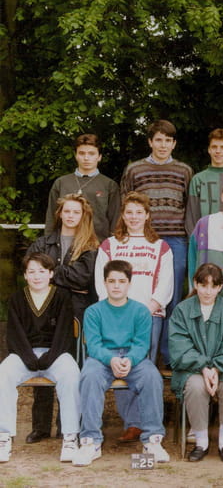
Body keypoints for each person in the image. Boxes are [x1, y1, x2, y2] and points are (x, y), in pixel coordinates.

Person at [94, 191, 173, 443]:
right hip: (115, 316)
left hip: (149, 315)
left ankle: (149, 425)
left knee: (142, 368)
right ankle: (132, 423)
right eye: (129, 212)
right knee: (119, 364)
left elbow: (165, 283)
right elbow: (101, 282)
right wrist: (113, 309)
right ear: (123, 215)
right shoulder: (110, 245)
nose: (134, 217)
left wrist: (145, 311)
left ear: (147, 215)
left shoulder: (160, 246)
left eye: (139, 212)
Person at [74, 260, 169, 466]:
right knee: (89, 376)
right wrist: (111, 359)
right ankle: (90, 441)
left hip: (133, 358)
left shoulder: (141, 311)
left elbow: (142, 344)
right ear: (104, 283)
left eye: (121, 281)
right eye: (111, 281)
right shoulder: (93, 311)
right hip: (102, 358)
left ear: (129, 283)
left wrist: (129, 360)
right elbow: (94, 345)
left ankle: (152, 440)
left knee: (152, 376)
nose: (116, 286)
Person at [26, 193, 98, 444]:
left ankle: (67, 424)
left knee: (71, 367)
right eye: (66, 211)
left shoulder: (89, 246)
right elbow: (32, 272)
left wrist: (49, 273)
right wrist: (60, 276)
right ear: (59, 214)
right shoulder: (42, 243)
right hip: (44, 310)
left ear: (83, 215)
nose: (70, 216)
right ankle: (40, 426)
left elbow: (83, 278)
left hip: (76, 312)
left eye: (76, 212)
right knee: (42, 360)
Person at [120, 119, 193, 364]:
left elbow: (189, 205)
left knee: (172, 297)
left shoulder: (184, 171)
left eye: (167, 140)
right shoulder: (135, 170)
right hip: (144, 239)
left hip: (175, 239)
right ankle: (141, 351)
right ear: (150, 142)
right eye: (158, 140)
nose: (163, 145)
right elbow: (125, 202)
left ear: (174, 144)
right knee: (142, 294)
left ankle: (168, 355)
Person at [0, 253, 80, 463]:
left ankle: (70, 437)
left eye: (42, 271)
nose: (37, 276)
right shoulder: (17, 299)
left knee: (72, 374)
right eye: (32, 272)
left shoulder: (62, 297)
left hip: (56, 353)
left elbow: (64, 333)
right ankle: (3, 436)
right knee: (3, 373)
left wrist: (49, 357)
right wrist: (28, 358)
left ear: (51, 274)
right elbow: (14, 335)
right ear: (25, 275)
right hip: (24, 354)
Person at [169, 263, 223, 462]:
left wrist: (217, 369)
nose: (207, 291)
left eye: (213, 286)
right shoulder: (182, 310)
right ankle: (201, 442)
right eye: (203, 285)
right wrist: (203, 367)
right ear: (195, 284)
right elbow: (179, 346)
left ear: (220, 287)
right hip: (192, 368)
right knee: (195, 386)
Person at [45, 133, 120, 241]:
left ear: (99, 157)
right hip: (65, 243)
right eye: (81, 153)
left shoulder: (109, 185)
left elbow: (115, 220)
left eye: (91, 153)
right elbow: (51, 218)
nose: (86, 158)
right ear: (76, 155)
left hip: (98, 243)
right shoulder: (61, 183)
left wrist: (112, 244)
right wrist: (48, 242)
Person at [185, 128, 223, 235]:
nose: (218, 151)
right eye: (214, 147)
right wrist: (195, 240)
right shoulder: (198, 179)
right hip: (205, 238)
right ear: (209, 150)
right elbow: (191, 217)